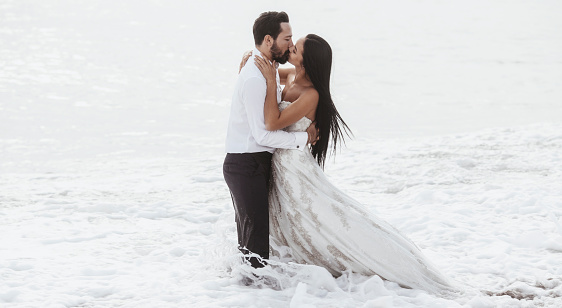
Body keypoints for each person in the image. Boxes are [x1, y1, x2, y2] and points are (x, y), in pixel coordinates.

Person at [250, 34, 456, 294]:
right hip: (280, 163)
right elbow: (264, 72)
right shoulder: (291, 76)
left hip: (294, 168)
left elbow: (273, 122)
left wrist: (270, 81)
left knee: (319, 220)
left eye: (296, 47)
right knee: (294, 220)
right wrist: (254, 61)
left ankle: (377, 261)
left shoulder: (310, 94)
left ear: (308, 60)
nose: (290, 47)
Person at [223, 11, 318, 269]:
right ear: (269, 40)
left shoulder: (269, 69)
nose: (290, 44)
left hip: (253, 163)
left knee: (253, 245)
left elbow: (300, 77)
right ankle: (253, 294)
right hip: (246, 164)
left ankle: (250, 292)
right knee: (255, 248)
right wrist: (303, 137)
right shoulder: (257, 77)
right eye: (287, 38)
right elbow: (263, 134)